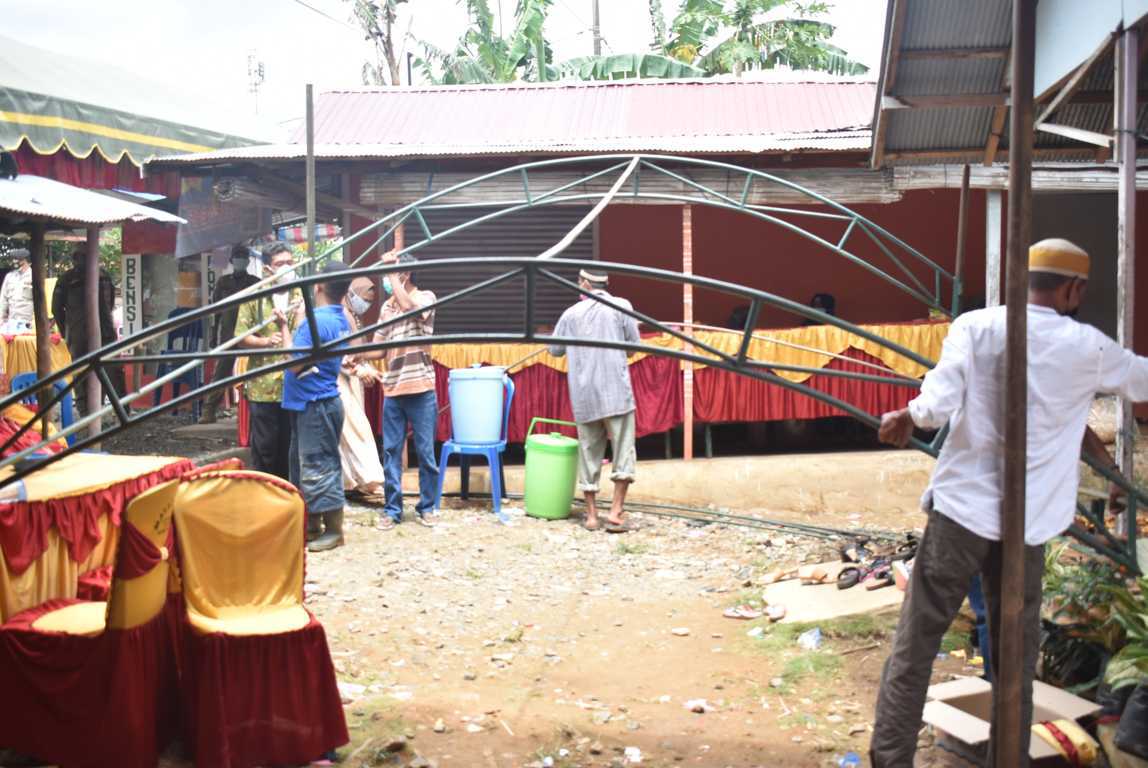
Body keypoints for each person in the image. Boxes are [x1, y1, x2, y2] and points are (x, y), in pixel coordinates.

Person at [869, 238, 1148, 767]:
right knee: (1015, 658)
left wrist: (910, 415)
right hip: (1028, 524)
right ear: (1073, 289)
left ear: (1021, 280)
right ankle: (1009, 758)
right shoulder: (1088, 347)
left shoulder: (975, 327)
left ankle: (890, 758)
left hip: (961, 513)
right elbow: (1141, 378)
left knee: (917, 644)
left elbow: (938, 400)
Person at [549, 269, 640, 532]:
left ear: (586, 284)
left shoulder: (570, 314)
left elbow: (554, 350)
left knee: (589, 452)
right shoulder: (622, 306)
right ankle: (615, 512)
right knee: (624, 450)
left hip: (585, 396)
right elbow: (633, 348)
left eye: (579, 283)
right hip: (616, 394)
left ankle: (591, 516)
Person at [278, 261, 353, 552]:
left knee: (319, 466)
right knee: (305, 466)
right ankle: (311, 525)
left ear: (319, 285)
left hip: (315, 403)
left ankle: (333, 530)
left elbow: (294, 364)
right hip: (315, 401)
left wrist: (287, 327)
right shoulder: (339, 317)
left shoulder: (316, 321)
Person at [364, 252, 439, 529]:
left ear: (405, 274)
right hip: (393, 389)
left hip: (421, 388)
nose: (387, 279)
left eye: (392, 273)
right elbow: (378, 348)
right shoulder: (387, 307)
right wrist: (356, 354)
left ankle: (427, 507)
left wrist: (393, 274)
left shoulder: (425, 297)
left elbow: (410, 307)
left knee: (426, 454)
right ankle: (392, 510)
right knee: (391, 453)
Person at [233, 243, 301, 480]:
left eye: (290, 263)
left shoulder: (300, 294)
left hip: (293, 384)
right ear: (267, 269)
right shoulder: (255, 296)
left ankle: (287, 494)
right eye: (280, 264)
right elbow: (240, 337)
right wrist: (265, 342)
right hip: (263, 385)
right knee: (265, 448)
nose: (287, 268)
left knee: (290, 447)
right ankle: (264, 492)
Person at [51, 248, 124, 412]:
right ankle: (116, 409)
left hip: (80, 333)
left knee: (83, 372)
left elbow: (56, 309)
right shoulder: (103, 276)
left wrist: (67, 330)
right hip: (103, 331)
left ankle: (88, 412)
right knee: (109, 370)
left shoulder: (67, 278)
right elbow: (110, 304)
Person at [338, 276, 386, 500]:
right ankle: (369, 479)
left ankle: (354, 482)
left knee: (351, 431)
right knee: (356, 429)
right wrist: (360, 370)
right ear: (351, 294)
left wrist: (368, 369)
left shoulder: (354, 316)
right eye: (364, 299)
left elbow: (360, 353)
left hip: (352, 379)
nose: (366, 304)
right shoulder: (341, 315)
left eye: (369, 301)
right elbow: (340, 354)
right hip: (339, 380)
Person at [200, 245, 260, 424]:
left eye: (243, 257)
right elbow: (216, 311)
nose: (240, 260)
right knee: (221, 373)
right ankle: (209, 410)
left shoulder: (255, 283)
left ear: (247, 261)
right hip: (228, 334)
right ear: (232, 261)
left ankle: (254, 414)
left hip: (250, 334)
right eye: (237, 256)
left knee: (255, 372)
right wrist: (213, 335)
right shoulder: (223, 282)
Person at [0, 248, 33, 331]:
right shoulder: (9, 277)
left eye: (16, 259)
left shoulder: (34, 276)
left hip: (28, 323)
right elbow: (3, 300)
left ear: (24, 260)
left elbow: (40, 301)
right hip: (11, 322)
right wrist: (1, 319)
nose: (13, 261)